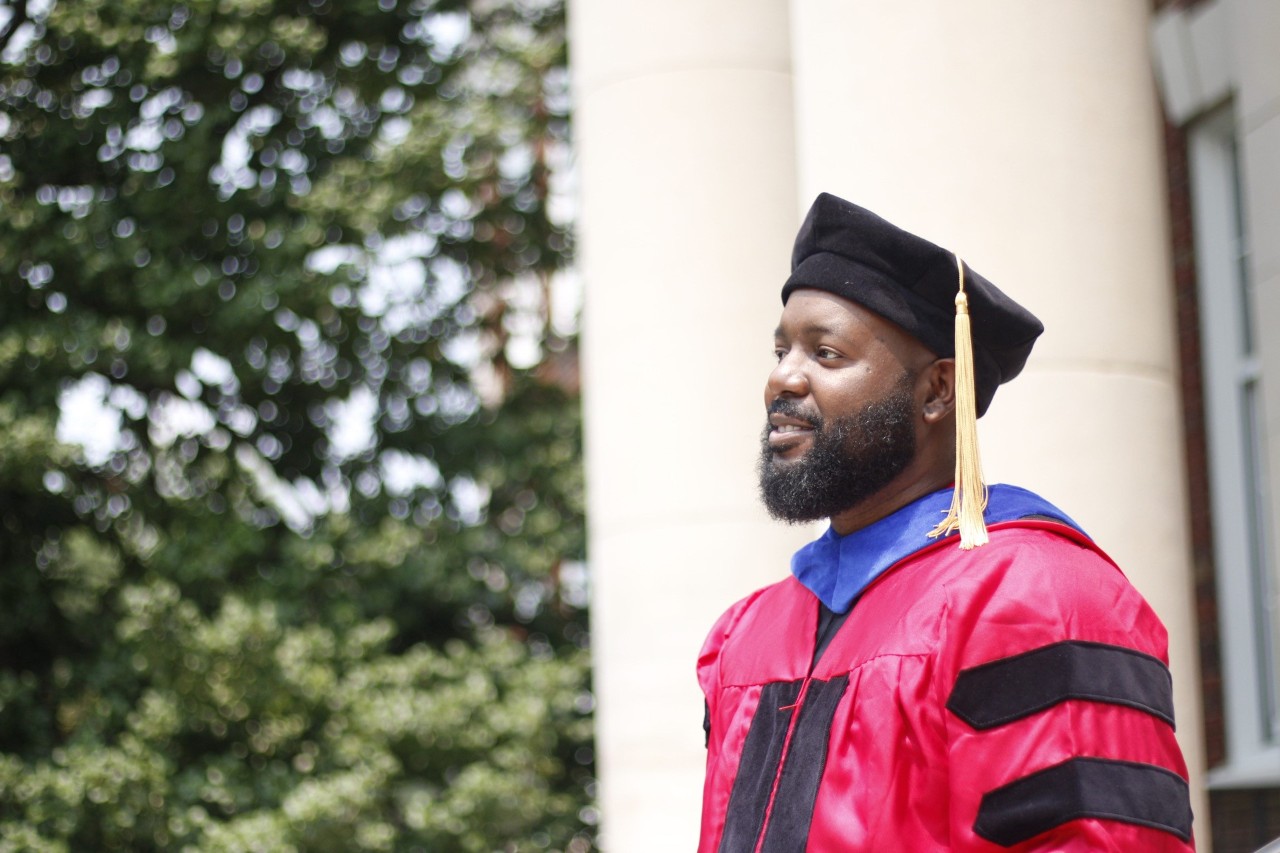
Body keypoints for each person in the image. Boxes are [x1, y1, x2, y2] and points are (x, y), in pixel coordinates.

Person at [697, 193, 1195, 851]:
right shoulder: (747, 633)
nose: (782, 379)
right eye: (782, 348)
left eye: (826, 353)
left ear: (938, 390)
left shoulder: (1035, 596)